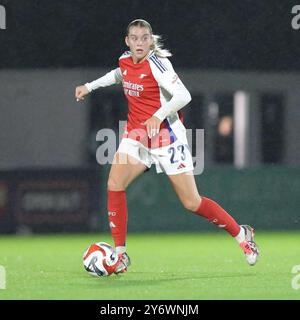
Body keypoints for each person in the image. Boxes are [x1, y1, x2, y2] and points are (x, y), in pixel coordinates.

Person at [75, 19, 259, 274]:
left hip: (167, 137)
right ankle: (120, 256)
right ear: (127, 41)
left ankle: (242, 235)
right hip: (137, 134)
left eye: (144, 38)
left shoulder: (158, 64)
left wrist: (158, 115)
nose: (139, 42)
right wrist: (89, 86)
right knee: (114, 184)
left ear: (151, 41)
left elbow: (184, 95)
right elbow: (118, 74)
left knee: (192, 202)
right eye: (134, 38)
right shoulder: (125, 60)